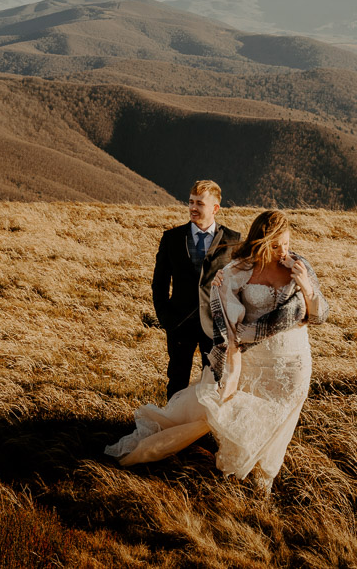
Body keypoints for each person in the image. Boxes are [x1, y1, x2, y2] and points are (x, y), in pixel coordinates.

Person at [107, 210, 329, 492]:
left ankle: (263, 478)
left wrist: (306, 286)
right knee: (237, 413)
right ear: (260, 241)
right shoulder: (239, 271)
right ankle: (237, 470)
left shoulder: (299, 266)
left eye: (286, 243)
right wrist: (220, 290)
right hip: (253, 359)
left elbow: (320, 315)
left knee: (281, 419)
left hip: (294, 361)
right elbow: (225, 314)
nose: (282, 251)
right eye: (275, 245)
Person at [151, 180, 240, 399]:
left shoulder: (233, 240)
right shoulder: (172, 238)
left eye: (200, 203)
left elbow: (239, 285)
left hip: (216, 326)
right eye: (191, 202)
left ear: (215, 208)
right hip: (179, 323)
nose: (193, 207)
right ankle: (173, 420)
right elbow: (159, 282)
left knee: (213, 383)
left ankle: (205, 420)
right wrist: (165, 317)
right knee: (177, 381)